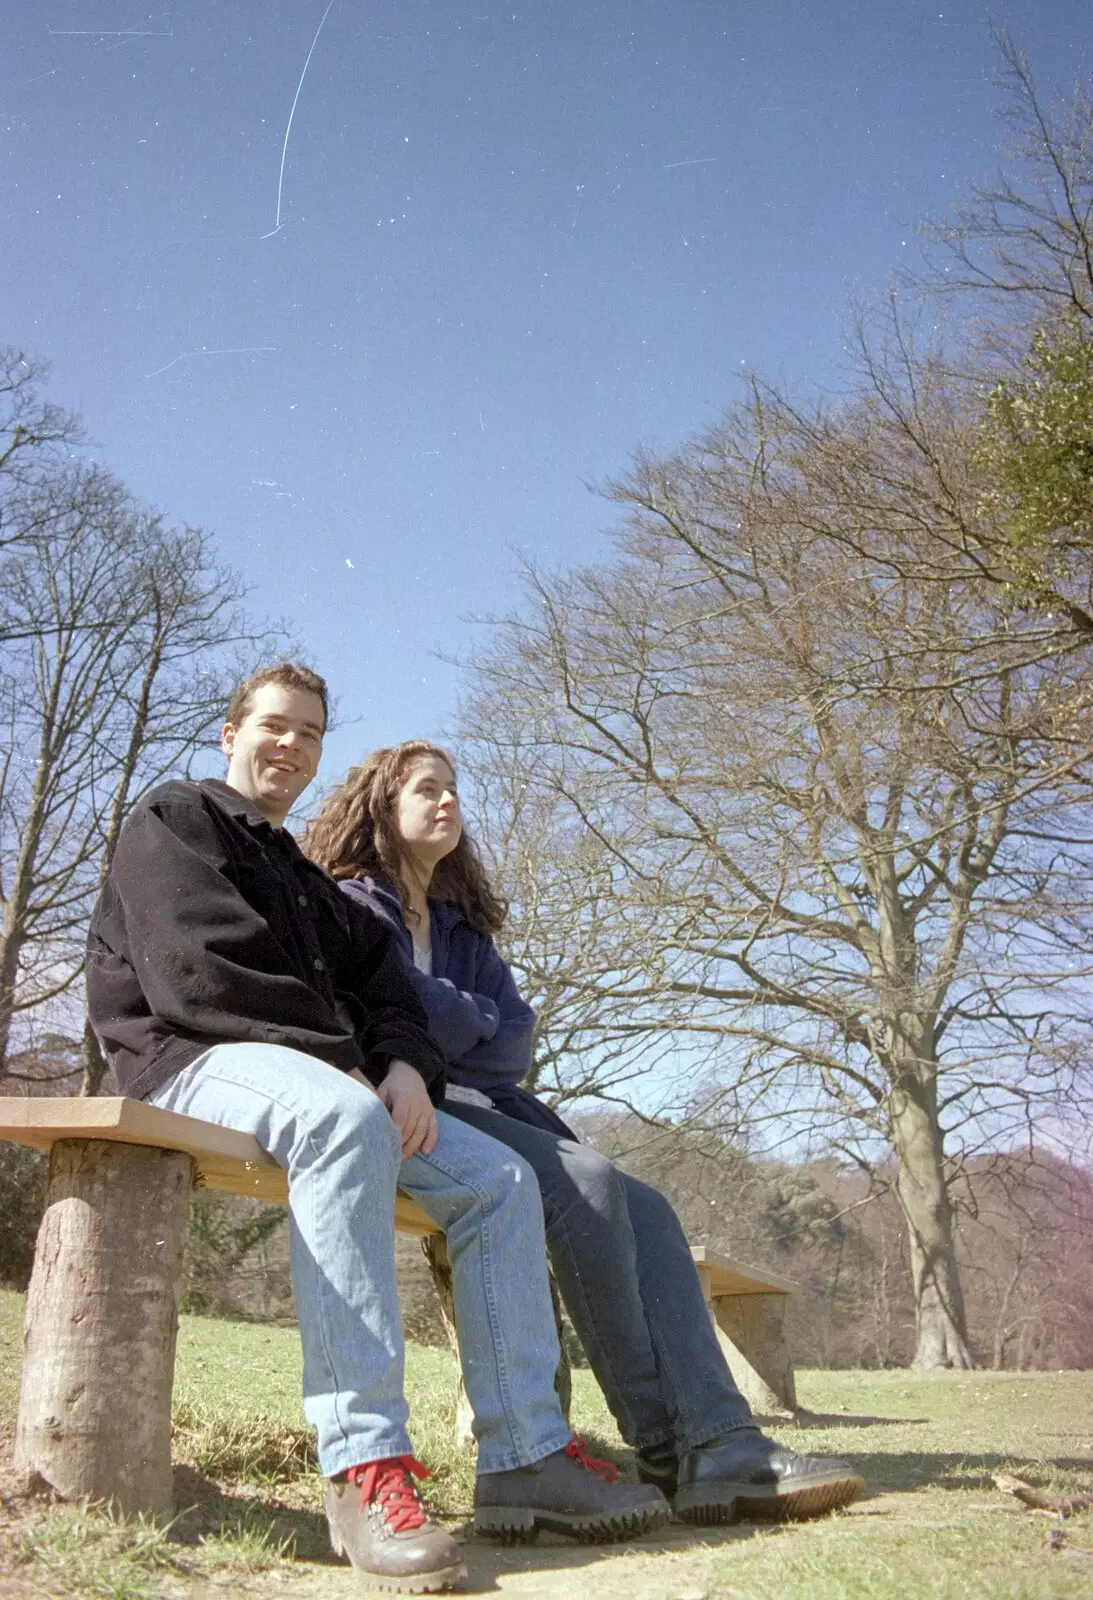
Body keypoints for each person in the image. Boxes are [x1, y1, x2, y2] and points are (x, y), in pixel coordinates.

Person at [85, 666, 668, 1595]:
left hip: (321, 1074)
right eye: (274, 726)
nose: (291, 745)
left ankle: (524, 1455)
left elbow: (386, 989)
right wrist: (354, 1069)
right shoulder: (176, 821)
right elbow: (203, 979)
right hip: (188, 1060)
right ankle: (363, 1467)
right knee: (344, 1117)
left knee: (498, 1182)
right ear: (230, 732)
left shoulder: (305, 879)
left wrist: (403, 1065)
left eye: (310, 733)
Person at [303, 740, 865, 1526]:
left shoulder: (462, 930)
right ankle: (672, 1446)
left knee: (647, 1206)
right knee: (589, 1185)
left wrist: (461, 1017)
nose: (448, 803)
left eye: (454, 790)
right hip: (408, 1107)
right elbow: (407, 1014)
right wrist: (466, 1018)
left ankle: (722, 1438)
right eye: (426, 790)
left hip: (493, 1105)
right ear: (380, 810)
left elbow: (515, 1041)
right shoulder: (354, 903)